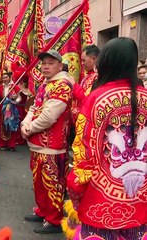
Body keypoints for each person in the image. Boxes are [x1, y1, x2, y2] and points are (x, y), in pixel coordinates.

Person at [67, 37, 147, 239]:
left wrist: (75, 190)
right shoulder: (145, 96)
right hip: (140, 200)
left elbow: (85, 153)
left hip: (100, 199)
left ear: (106, 63)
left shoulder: (97, 98)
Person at [21, 50, 72, 234]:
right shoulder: (45, 85)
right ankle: (43, 211)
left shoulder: (63, 85)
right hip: (37, 144)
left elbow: (50, 116)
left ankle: (54, 219)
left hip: (53, 146)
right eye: (43, 63)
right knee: (39, 183)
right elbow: (34, 107)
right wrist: (25, 122)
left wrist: (30, 128)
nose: (45, 66)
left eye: (50, 63)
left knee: (53, 184)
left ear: (60, 65)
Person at [71, 45, 100, 123]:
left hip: (87, 120)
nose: (82, 63)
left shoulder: (98, 77)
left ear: (93, 59)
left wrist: (74, 85)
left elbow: (87, 99)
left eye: (84, 60)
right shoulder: (88, 76)